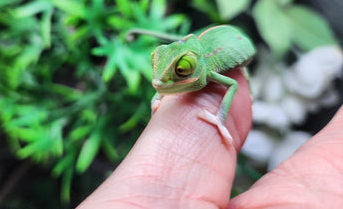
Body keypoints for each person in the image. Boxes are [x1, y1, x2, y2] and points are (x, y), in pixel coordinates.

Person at [77, 69, 343, 208]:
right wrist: (160, 93)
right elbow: (165, 81)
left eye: (182, 69)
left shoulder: (209, 70)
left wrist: (220, 116)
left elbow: (233, 84)